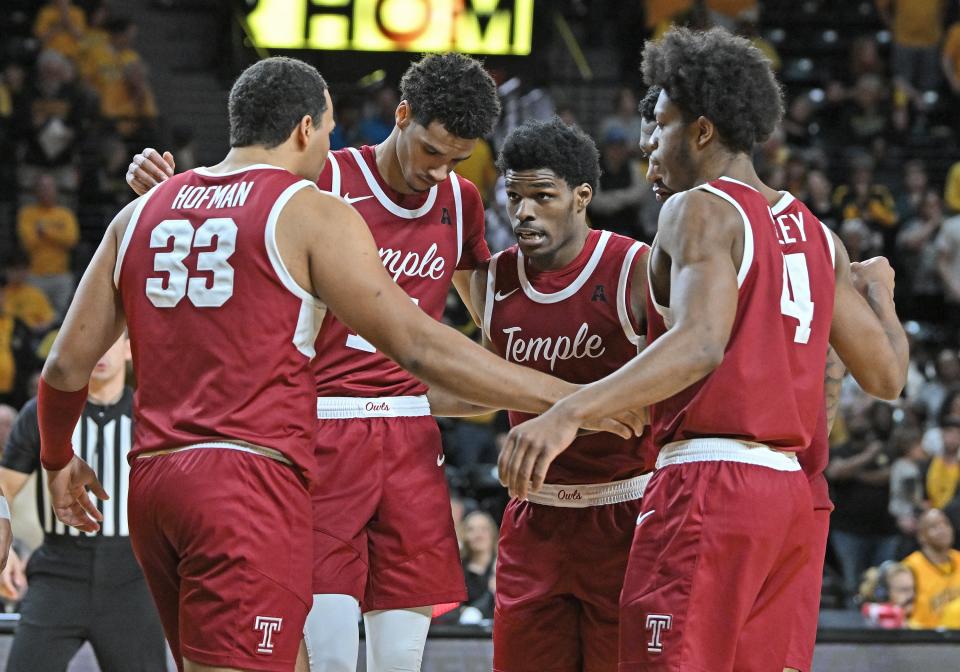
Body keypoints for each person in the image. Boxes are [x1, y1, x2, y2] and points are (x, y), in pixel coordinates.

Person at [42, 56, 635, 672]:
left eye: (456, 159)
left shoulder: (455, 201)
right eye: (432, 150)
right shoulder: (317, 192)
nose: (440, 171)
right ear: (314, 128)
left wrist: (177, 195)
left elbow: (64, 367)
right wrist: (570, 401)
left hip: (337, 441)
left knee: (361, 656)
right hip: (297, 441)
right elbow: (421, 342)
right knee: (307, 655)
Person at [499, 27, 908, 671]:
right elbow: (886, 375)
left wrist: (568, 411)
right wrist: (880, 292)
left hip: (708, 485)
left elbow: (699, 345)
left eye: (658, 125)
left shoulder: (698, 210)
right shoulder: (818, 234)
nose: (646, 144)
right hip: (792, 499)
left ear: (703, 130)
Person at [428, 118, 652, 671]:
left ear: (581, 196)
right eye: (514, 196)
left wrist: (579, 411)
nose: (523, 212)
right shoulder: (495, 281)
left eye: (542, 196)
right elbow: (482, 388)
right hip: (535, 518)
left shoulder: (636, 269)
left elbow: (669, 391)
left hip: (626, 512)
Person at [0, 335, 167, 672]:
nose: (99, 350)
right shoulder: (42, 412)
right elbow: (3, 483)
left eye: (111, 340)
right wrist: (7, 547)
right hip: (57, 571)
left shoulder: (154, 416)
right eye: (93, 340)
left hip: (133, 578)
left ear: (130, 348)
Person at [902, 509, 960, 628]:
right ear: (921, 536)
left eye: (946, 524)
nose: (942, 529)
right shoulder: (910, 567)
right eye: (934, 526)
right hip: (925, 639)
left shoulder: (958, 558)